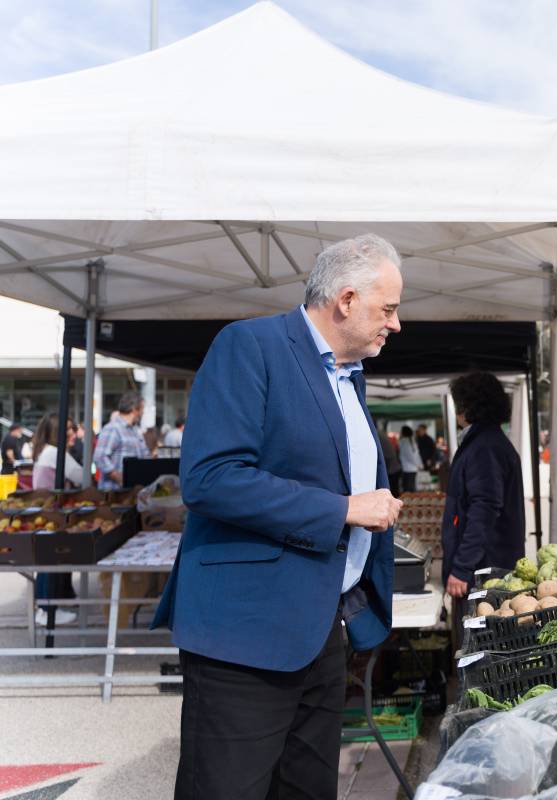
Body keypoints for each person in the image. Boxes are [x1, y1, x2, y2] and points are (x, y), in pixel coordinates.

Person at [152, 233, 404, 799]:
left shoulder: (347, 377)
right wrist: (341, 509)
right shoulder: (250, 345)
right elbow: (210, 478)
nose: (396, 323)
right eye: (388, 308)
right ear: (346, 300)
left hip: (319, 631)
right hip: (245, 639)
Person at [440, 372, 524, 610]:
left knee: (480, 638)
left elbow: (484, 509)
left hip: (484, 571)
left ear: (466, 406)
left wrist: (462, 567)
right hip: (485, 567)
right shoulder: (488, 442)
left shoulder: (485, 446)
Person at [30, 412, 82, 625]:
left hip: (47, 514)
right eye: (68, 429)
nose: (73, 433)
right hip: (52, 514)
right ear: (56, 433)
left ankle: (53, 604)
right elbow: (81, 476)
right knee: (51, 561)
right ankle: (47, 609)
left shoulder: (47, 451)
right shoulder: (56, 454)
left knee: (51, 559)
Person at [93, 392, 150, 490]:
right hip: (114, 493)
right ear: (134, 409)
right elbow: (100, 457)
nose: (143, 413)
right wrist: (120, 478)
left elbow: (144, 456)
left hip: (133, 492)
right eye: (142, 409)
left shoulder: (135, 430)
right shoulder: (113, 428)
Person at [379, 426, 402, 496]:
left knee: (392, 493)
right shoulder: (380, 434)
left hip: (391, 469)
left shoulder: (377, 436)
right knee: (394, 492)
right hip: (394, 468)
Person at [398, 425, 422, 493]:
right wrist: (419, 464)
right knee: (411, 489)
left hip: (408, 469)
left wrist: (418, 464)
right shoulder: (410, 441)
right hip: (412, 468)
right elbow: (416, 455)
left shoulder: (404, 442)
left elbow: (410, 456)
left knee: (408, 490)